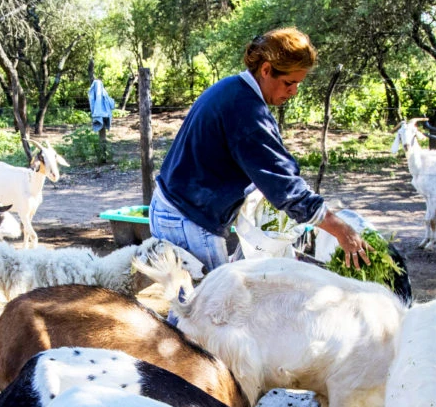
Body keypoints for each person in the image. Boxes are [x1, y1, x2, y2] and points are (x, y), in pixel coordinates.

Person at [151, 27, 370, 271]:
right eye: (289, 82)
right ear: (266, 70)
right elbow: (286, 186)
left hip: (173, 208)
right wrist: (340, 229)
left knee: (191, 305)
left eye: (298, 83)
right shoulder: (246, 112)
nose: (294, 91)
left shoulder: (232, 89)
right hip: (189, 219)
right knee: (214, 307)